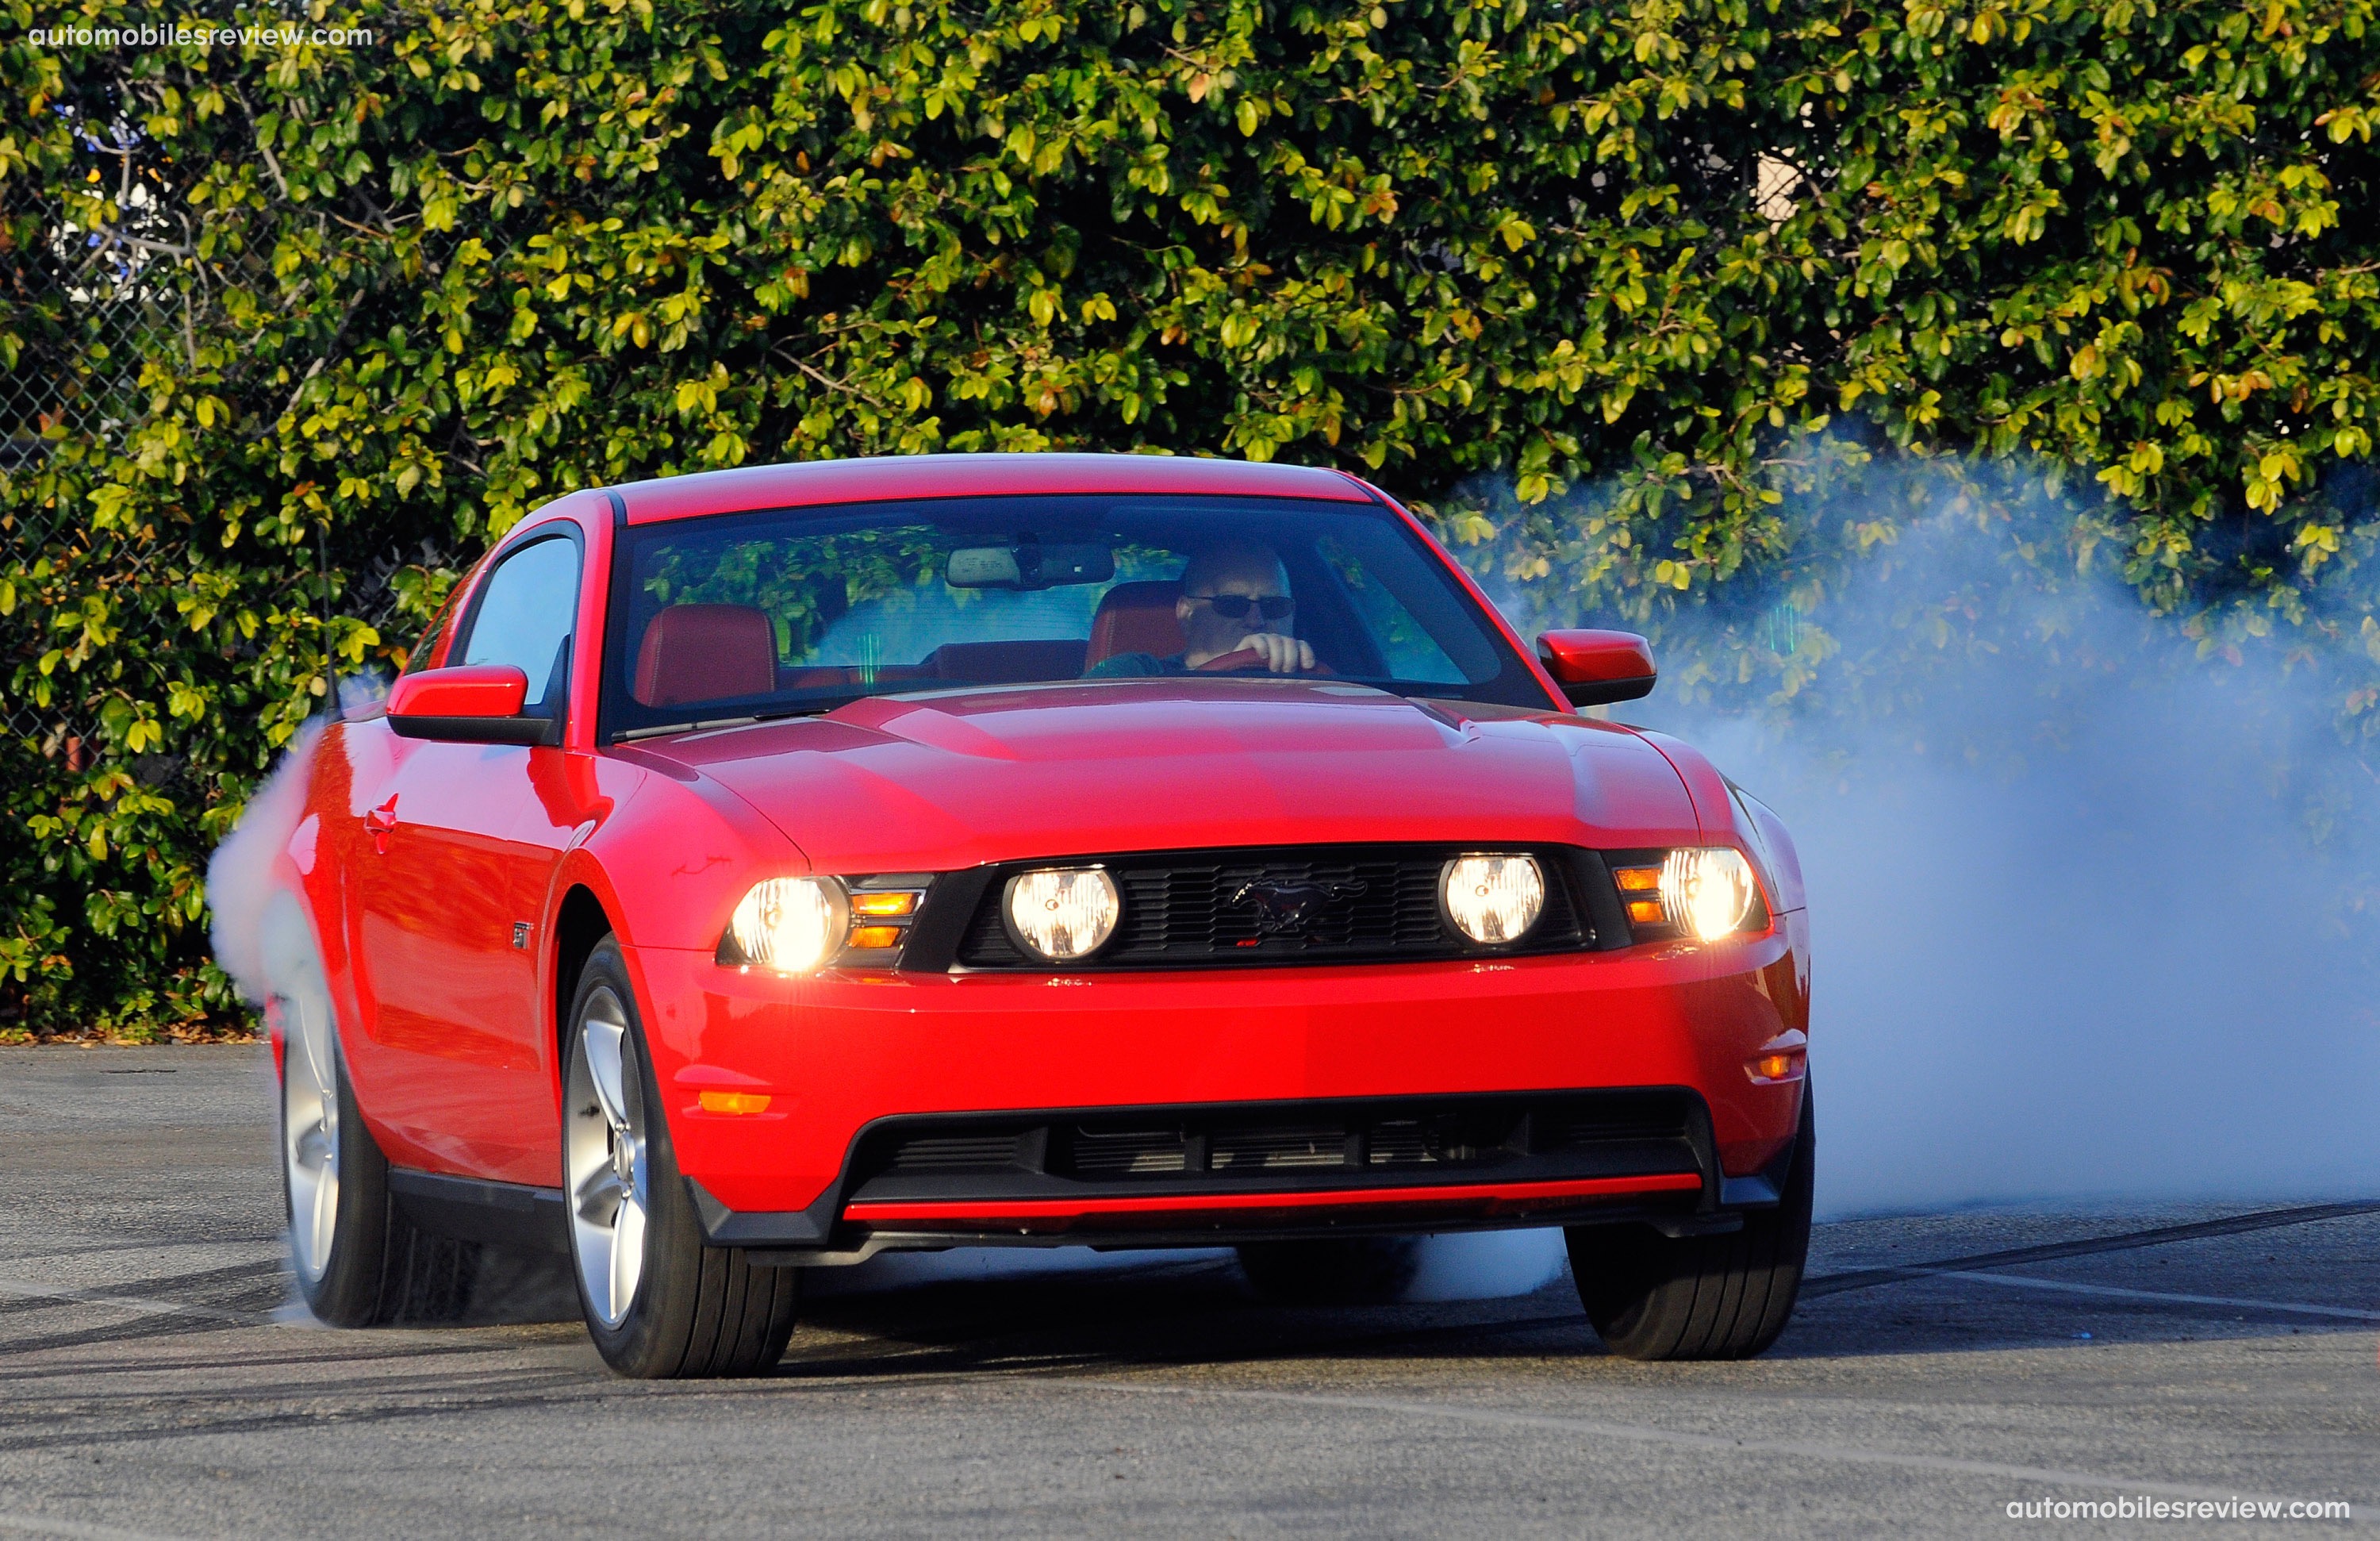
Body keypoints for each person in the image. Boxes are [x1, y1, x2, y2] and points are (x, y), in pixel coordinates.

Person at [1088, 540, 1318, 676]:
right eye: (1232, 604)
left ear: (1293, 613)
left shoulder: (1323, 688)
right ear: (1186, 612)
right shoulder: (1137, 675)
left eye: (1275, 606)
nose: (1256, 621)